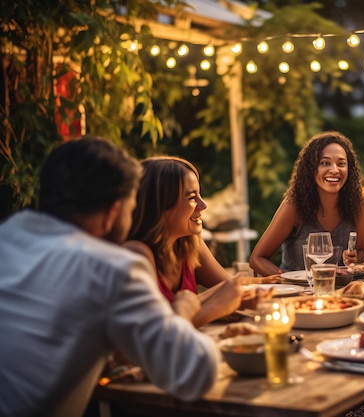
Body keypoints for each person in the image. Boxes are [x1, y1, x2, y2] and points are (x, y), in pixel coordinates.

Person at [0, 137, 220, 417]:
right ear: (113, 212)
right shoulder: (114, 269)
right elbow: (197, 373)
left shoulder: (8, 235)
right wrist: (182, 311)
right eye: (131, 210)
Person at [123, 156, 253, 328]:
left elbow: (229, 288)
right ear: (161, 206)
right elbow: (155, 333)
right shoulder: (136, 254)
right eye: (192, 197)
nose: (203, 205)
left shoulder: (189, 243)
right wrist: (215, 308)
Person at [249, 130, 364, 276]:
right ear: (311, 168)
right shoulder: (294, 206)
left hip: (340, 293)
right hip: (297, 294)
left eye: (341, 164)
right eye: (325, 163)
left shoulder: (358, 204)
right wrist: (287, 280)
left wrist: (354, 257)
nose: (335, 170)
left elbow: (362, 251)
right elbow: (257, 259)